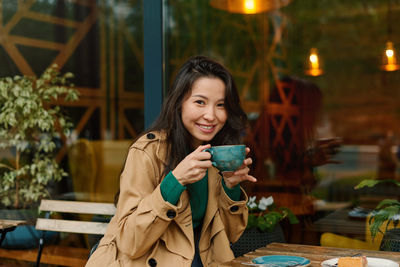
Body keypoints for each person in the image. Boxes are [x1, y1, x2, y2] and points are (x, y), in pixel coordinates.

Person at [86, 56, 257, 267]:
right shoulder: (148, 151)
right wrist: (174, 181)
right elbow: (130, 243)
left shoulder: (216, 157)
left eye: (220, 105)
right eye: (200, 102)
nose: (211, 115)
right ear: (179, 104)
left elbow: (231, 237)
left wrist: (230, 188)